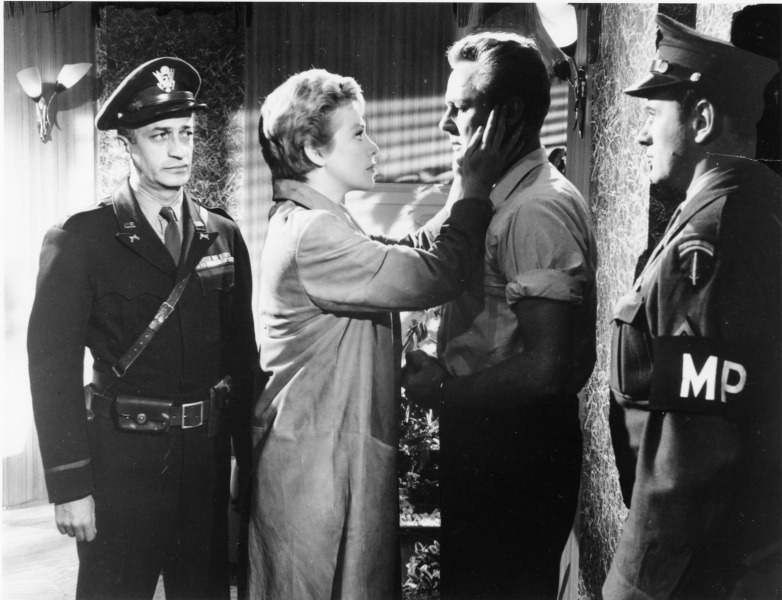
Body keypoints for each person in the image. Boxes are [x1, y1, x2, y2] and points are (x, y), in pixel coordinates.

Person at [249, 68, 522, 600]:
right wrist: (474, 189)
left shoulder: (317, 221)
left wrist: (460, 186)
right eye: (358, 133)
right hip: (315, 475)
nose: (375, 147)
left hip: (324, 461)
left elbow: (408, 252)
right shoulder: (315, 232)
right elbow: (436, 274)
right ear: (314, 150)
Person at [28, 57, 259, 600]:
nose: (180, 150)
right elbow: (52, 371)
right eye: (160, 135)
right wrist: (70, 485)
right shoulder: (82, 239)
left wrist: (249, 468)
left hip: (204, 463)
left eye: (187, 133)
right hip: (121, 465)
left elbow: (241, 360)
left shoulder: (222, 234)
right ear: (127, 145)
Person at [402, 31, 597, 600]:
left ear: (507, 114)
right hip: (488, 436)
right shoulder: (494, 193)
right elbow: (419, 253)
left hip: (516, 450)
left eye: (459, 108)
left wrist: (444, 392)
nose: (445, 124)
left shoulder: (536, 209)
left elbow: (549, 368)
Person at [603, 14, 781, 600]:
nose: (642, 136)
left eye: (653, 115)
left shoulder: (715, 239)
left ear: (701, 120)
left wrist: (633, 586)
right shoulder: (730, 213)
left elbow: (688, 461)